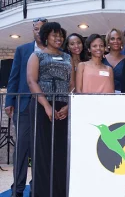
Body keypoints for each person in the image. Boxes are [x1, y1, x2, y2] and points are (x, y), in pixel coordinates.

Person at [27, 22, 74, 197]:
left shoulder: (68, 58)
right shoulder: (36, 56)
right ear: (46, 36)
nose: (58, 38)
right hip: (42, 106)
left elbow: (72, 84)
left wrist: (69, 106)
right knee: (43, 151)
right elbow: (32, 81)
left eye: (61, 35)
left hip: (63, 108)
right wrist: (46, 105)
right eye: (54, 35)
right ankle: (42, 192)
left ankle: (60, 192)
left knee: (61, 151)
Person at [5, 17, 47, 197]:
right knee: (21, 149)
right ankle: (18, 189)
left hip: (45, 107)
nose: (38, 32)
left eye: (41, 29)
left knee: (40, 150)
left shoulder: (57, 51)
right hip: (23, 106)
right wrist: (9, 101)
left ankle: (36, 187)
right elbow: (14, 77)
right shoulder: (23, 50)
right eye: (36, 29)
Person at [103, 28, 125, 93]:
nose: (116, 41)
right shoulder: (101, 59)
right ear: (108, 42)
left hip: (122, 96)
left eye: (119, 39)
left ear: (121, 42)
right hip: (103, 95)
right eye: (112, 39)